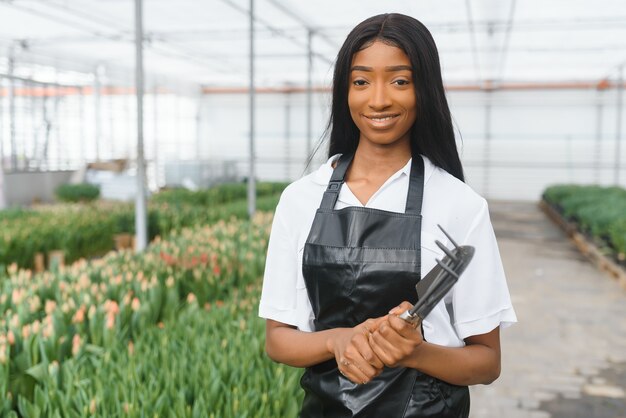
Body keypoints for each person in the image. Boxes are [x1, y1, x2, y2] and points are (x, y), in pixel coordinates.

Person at [258, 13, 517, 418]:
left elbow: (486, 362)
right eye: (361, 81)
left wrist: (415, 352)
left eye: (400, 80)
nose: (378, 100)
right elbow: (278, 340)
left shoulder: (459, 204)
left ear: (424, 89)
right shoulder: (300, 199)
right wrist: (337, 341)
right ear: (345, 91)